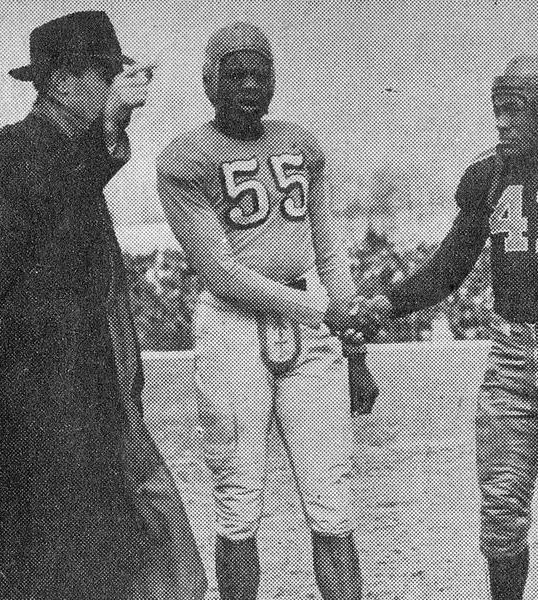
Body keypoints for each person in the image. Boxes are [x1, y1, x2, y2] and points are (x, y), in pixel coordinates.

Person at [0, 12, 205, 600]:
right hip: (29, 389)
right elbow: (59, 196)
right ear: (60, 84)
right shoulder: (14, 149)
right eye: (101, 74)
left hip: (76, 387)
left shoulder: (57, 151)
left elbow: (79, 177)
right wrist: (110, 126)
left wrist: (111, 124)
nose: (113, 85)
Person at [365, 56, 538, 599]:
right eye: (497, 109)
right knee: (499, 510)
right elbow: (453, 259)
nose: (501, 122)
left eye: (514, 109)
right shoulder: (486, 174)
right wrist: (389, 302)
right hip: (510, 354)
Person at [157, 22, 378, 600]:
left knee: (332, 501)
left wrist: (354, 346)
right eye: (235, 75)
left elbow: (328, 245)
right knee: (238, 501)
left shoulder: (302, 144)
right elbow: (225, 275)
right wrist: (322, 311)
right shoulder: (183, 158)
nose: (249, 87)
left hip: (312, 317)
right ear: (210, 83)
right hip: (233, 325)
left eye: (260, 75)